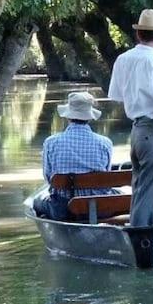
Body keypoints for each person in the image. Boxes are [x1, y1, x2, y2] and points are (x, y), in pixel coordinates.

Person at [107, 9, 153, 227]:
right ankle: (142, 238)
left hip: (138, 130)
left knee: (141, 187)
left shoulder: (123, 60)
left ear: (139, 34)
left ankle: (138, 235)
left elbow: (118, 96)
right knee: (151, 192)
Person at [34, 91, 115, 221]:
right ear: (89, 117)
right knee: (119, 195)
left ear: (68, 116)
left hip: (63, 209)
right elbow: (106, 181)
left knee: (36, 202)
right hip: (99, 208)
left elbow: (49, 178)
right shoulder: (105, 143)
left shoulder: (51, 142)